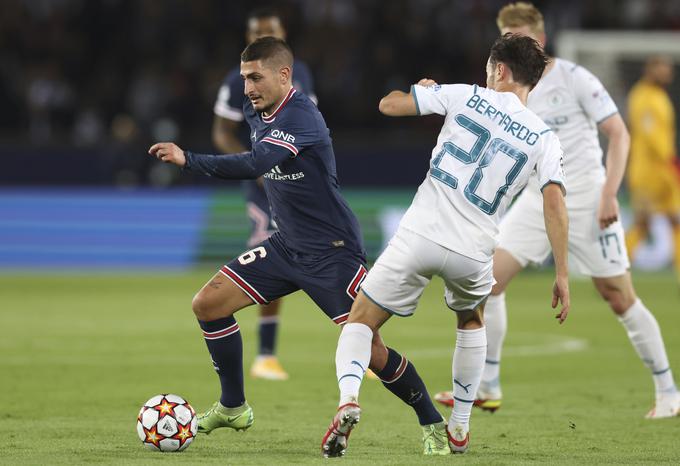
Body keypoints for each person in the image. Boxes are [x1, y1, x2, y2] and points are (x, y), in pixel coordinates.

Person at [149, 37, 445, 449]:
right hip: (286, 246)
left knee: (373, 351)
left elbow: (256, 163)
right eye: (243, 79)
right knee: (208, 304)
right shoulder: (259, 113)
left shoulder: (301, 115)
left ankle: (432, 422)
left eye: (256, 77)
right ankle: (233, 407)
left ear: (284, 76)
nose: (247, 88)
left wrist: (189, 159)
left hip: (333, 253)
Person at [322, 33, 569, 457]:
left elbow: (388, 104)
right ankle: (459, 427)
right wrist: (562, 272)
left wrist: (421, 92)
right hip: (474, 249)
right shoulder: (544, 136)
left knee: (360, 321)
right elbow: (554, 205)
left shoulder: (464, 96)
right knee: (472, 322)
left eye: (489, 67)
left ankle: (348, 399)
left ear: (501, 70)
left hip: (420, 233)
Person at [434, 2, 679, 419]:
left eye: (522, 39)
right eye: (507, 40)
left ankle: (668, 389)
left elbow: (618, 135)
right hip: (536, 201)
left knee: (618, 296)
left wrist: (608, 194)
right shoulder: (503, 87)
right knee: (488, 280)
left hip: (585, 199)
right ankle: (489, 385)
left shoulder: (574, 78)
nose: (515, 49)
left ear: (541, 40)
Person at [212, 7, 317, 381]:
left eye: (267, 30)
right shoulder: (234, 80)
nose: (260, 35)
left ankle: (363, 345)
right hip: (265, 186)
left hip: (303, 182)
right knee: (272, 260)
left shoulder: (299, 73)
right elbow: (222, 132)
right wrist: (255, 163)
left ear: (282, 32)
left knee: (334, 255)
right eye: (255, 31)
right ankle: (266, 355)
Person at [626, 56, 680, 284]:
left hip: (663, 171)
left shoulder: (659, 96)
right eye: (663, 67)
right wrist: (670, 160)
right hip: (648, 171)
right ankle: (615, 271)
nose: (668, 72)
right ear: (651, 69)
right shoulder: (642, 97)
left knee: (674, 219)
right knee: (643, 222)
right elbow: (650, 135)